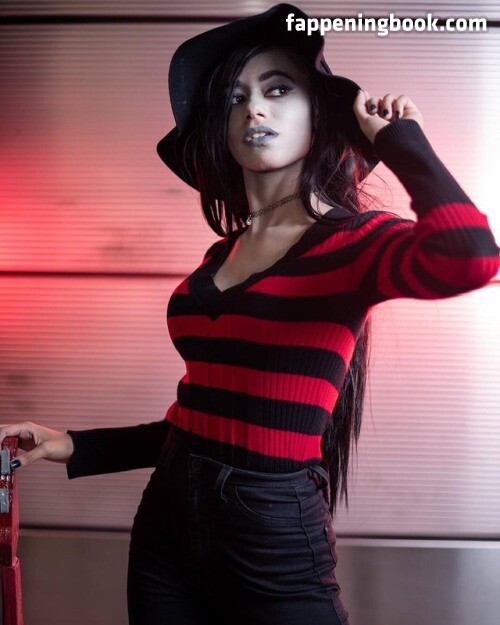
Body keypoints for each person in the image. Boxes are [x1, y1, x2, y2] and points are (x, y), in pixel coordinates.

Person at [1, 4, 499, 625]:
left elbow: (470, 257)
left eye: (277, 90)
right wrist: (73, 445)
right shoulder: (220, 255)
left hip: (270, 535)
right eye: (235, 99)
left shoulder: (355, 242)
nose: (253, 110)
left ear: (319, 115)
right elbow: (206, 420)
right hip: (166, 525)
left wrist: (401, 141)